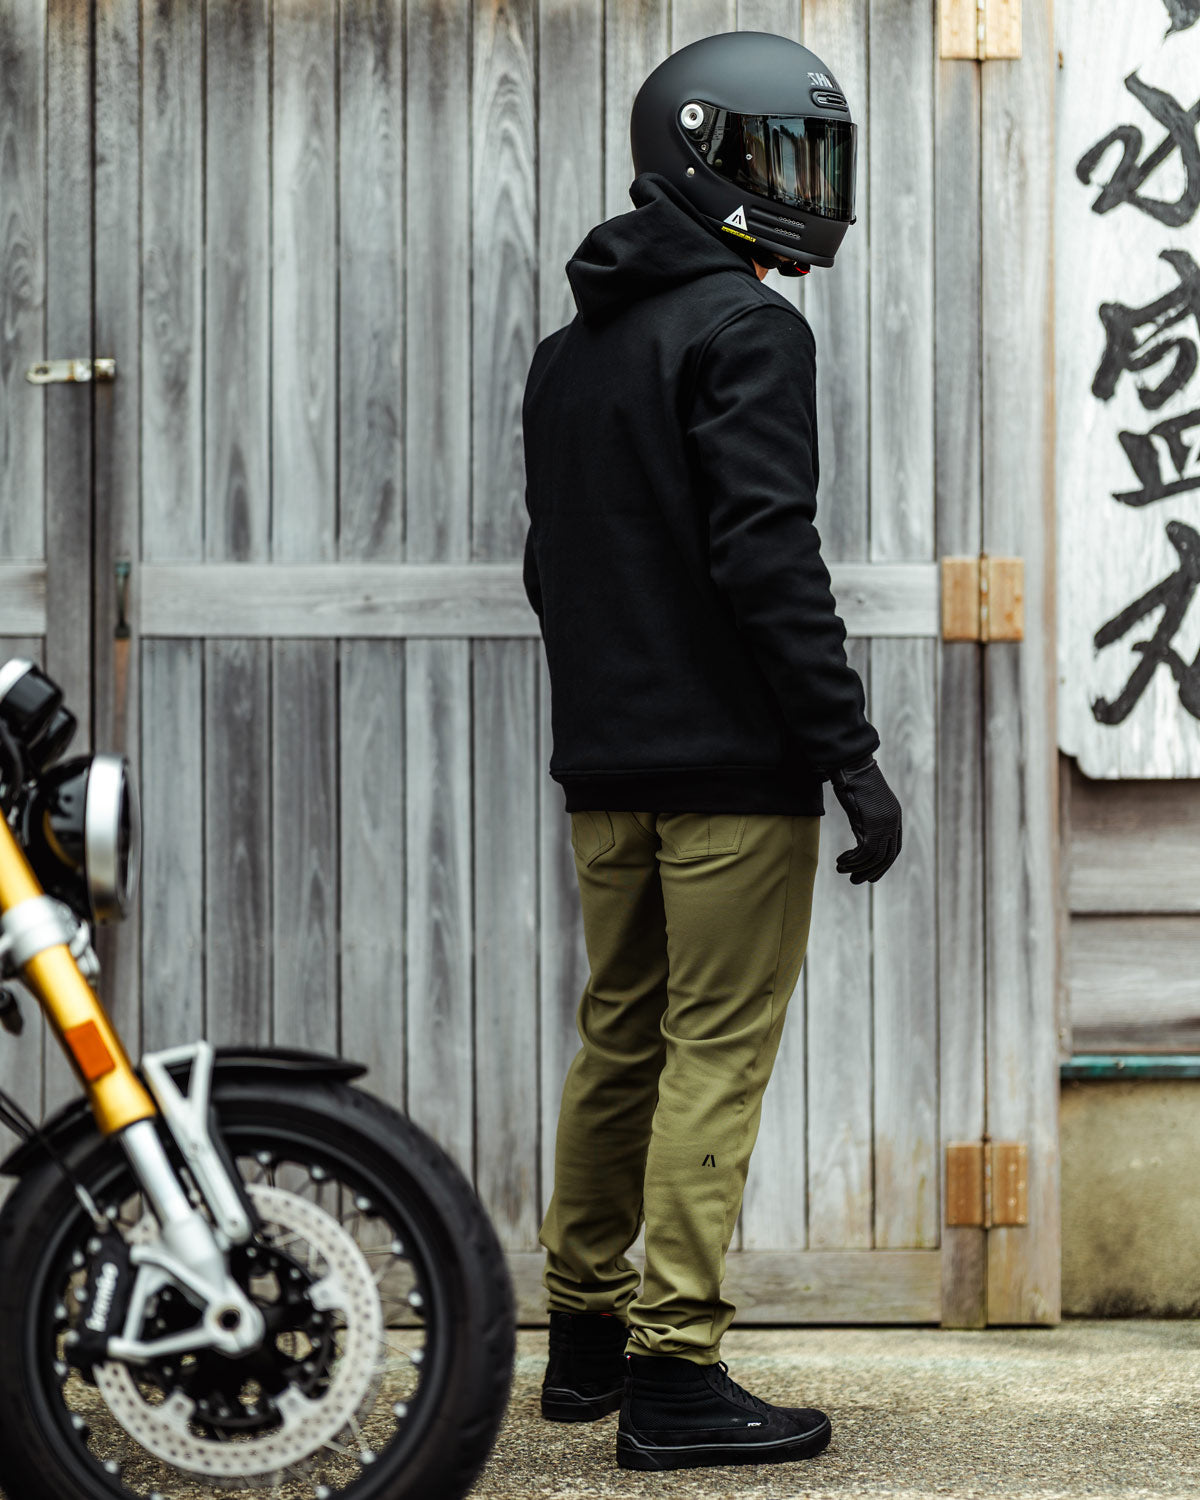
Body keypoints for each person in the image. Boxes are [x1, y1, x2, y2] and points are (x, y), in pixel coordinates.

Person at [520, 29, 902, 1474]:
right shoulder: (749, 329)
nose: (801, 188)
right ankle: (676, 1374)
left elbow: (552, 571)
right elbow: (767, 559)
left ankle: (584, 1342)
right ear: (701, 156)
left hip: (607, 770)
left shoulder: (571, 352)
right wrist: (848, 756)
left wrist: (611, 718)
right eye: (776, 157)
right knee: (716, 1054)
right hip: (732, 775)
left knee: (620, 1034)